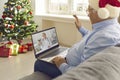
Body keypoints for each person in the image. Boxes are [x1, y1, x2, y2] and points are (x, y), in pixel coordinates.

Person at [34, 0, 120, 78]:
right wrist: (80, 28)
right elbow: (91, 36)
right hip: (67, 59)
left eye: (89, 10)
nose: (88, 14)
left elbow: (83, 71)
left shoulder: (104, 37)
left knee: (38, 63)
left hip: (67, 67)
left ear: (100, 13)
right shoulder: (109, 28)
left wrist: (61, 64)